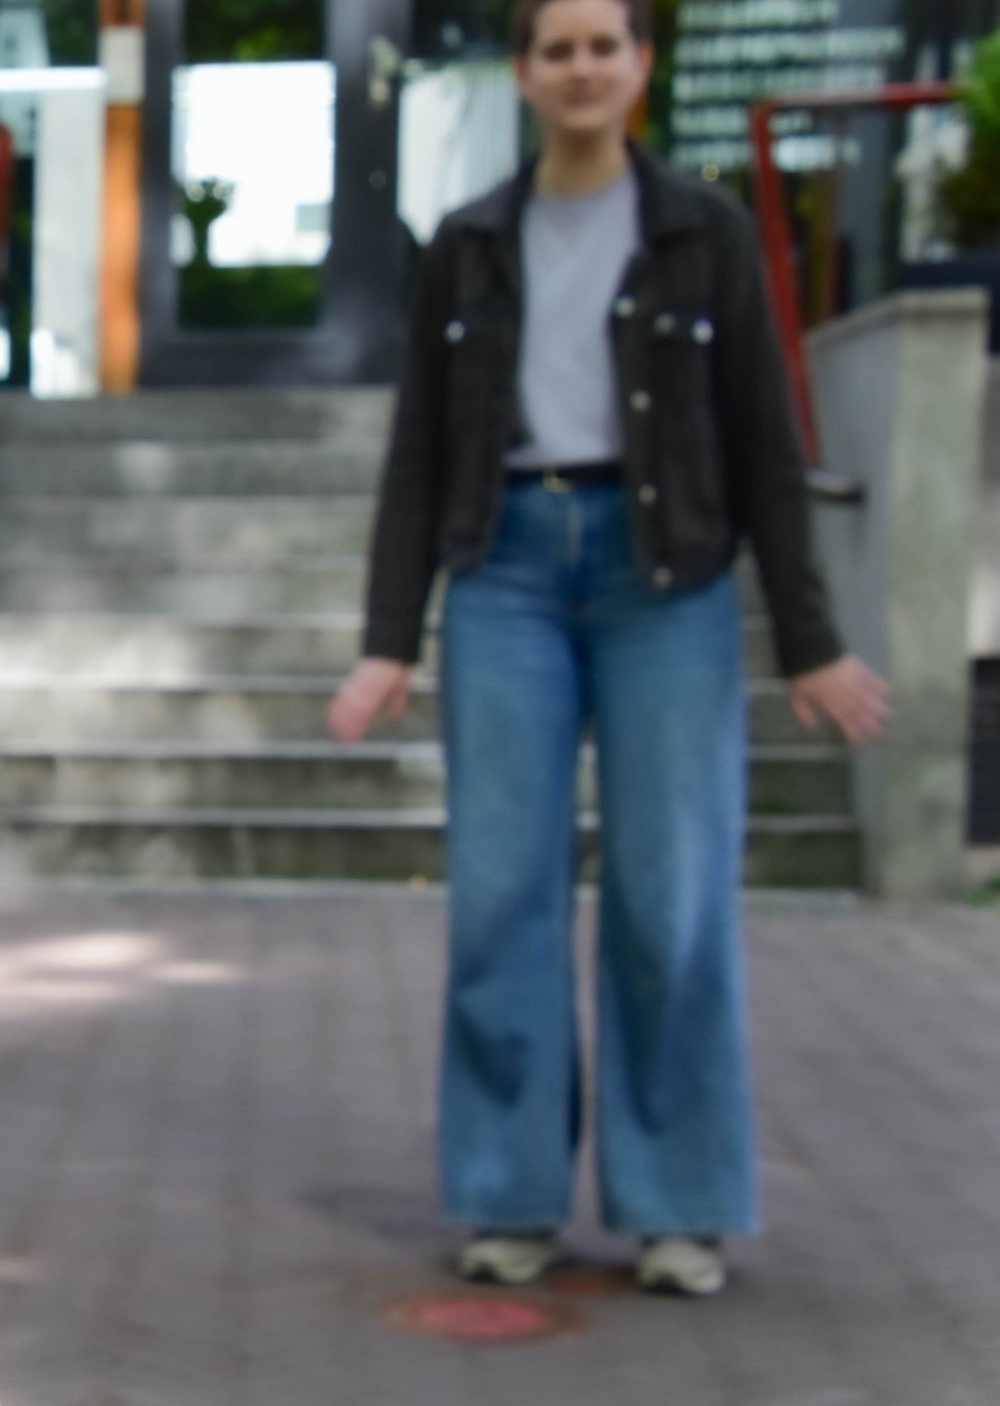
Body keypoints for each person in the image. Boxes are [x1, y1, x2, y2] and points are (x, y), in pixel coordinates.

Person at [327, 0, 892, 1298]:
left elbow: (764, 442)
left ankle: (678, 1203)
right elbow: (418, 453)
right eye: (556, 48)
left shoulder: (706, 231)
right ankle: (508, 1195)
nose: (581, 68)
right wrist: (384, 639)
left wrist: (808, 638)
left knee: (671, 897)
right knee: (500, 896)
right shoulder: (468, 242)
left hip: (665, 578)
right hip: (505, 575)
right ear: (523, 72)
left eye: (603, 45)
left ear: (641, 64)